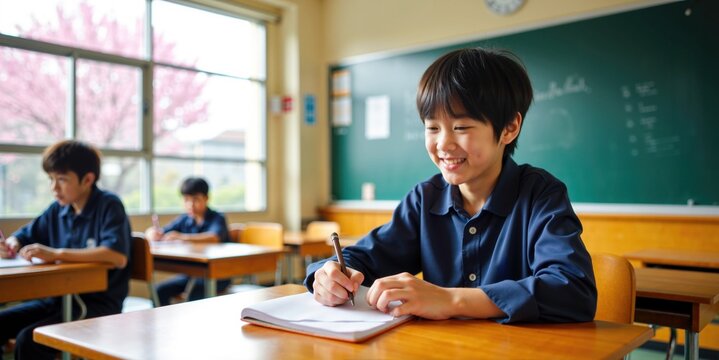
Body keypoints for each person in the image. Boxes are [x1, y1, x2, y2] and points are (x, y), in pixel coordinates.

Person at [305, 47, 597, 323]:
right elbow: (366, 257)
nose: (443, 143)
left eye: (461, 127)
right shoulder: (425, 198)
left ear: (509, 127)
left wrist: (451, 300)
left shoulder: (540, 195)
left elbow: (572, 289)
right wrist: (328, 275)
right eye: (432, 127)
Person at [0, 140, 131, 359]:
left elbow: (116, 256)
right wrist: (12, 243)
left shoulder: (109, 205)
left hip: (97, 305)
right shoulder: (58, 209)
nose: (54, 187)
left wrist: (56, 254)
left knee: (28, 340)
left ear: (87, 179)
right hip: (57, 298)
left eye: (62, 179)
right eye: (51, 179)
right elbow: (25, 235)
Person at [145, 177, 231, 306]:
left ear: (206, 198)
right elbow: (162, 232)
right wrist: (152, 233)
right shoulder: (184, 219)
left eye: (196, 199)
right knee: (160, 290)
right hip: (191, 274)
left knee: (195, 291)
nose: (191, 204)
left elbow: (214, 237)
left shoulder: (217, 217)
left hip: (218, 274)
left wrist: (182, 237)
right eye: (186, 200)